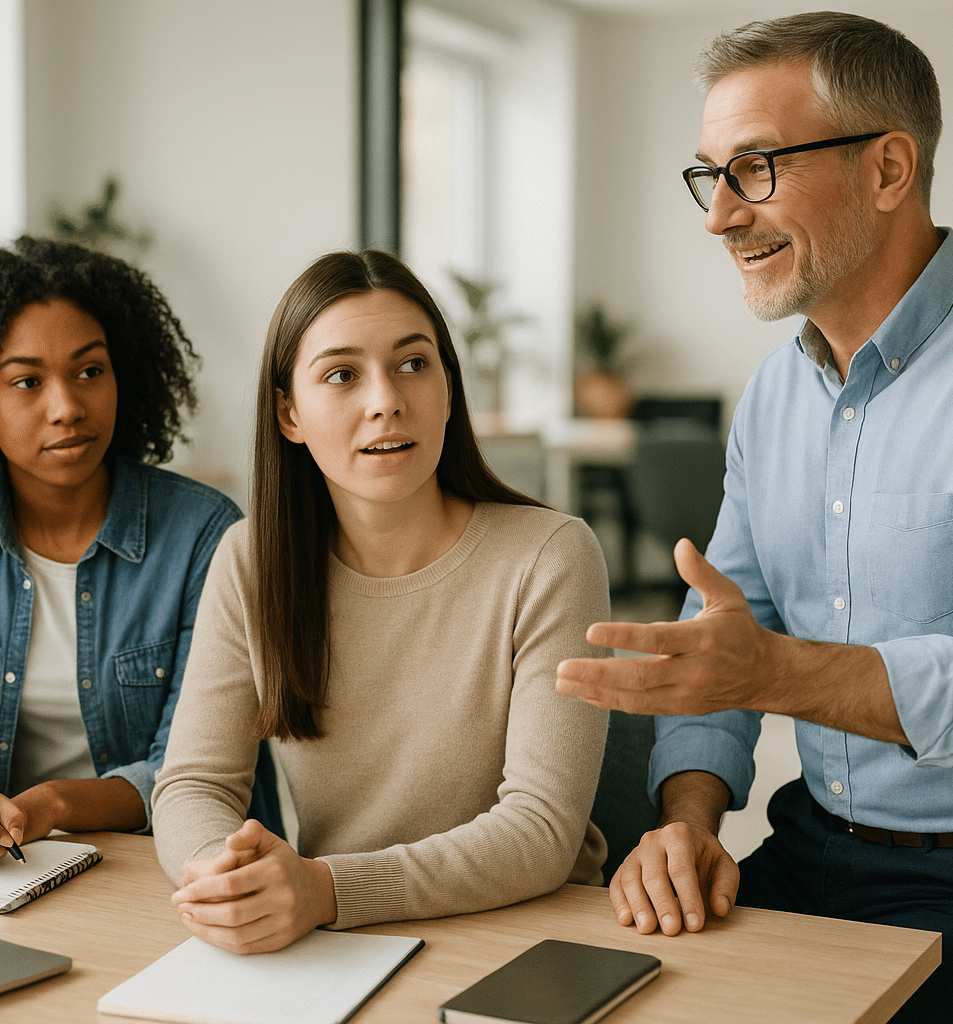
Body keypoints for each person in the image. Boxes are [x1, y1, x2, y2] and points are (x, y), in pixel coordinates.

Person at [554, 13, 953, 1023]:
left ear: (890, 167)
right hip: (815, 851)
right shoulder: (773, 397)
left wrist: (776, 671)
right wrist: (687, 823)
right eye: (708, 175)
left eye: (755, 169)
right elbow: (718, 639)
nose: (719, 216)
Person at [152, 250, 611, 954]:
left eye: (414, 364)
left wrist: (324, 890)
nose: (386, 399)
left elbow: (540, 831)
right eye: (342, 374)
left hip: (528, 937)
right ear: (290, 414)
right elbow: (192, 784)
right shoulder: (252, 561)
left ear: (449, 390)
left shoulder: (549, 555)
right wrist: (225, 875)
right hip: (340, 943)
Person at [0, 236, 254, 871]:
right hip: (9, 872)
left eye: (90, 371)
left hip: (181, 870)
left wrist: (52, 806)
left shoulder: (207, 535)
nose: (67, 407)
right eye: (27, 381)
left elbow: (188, 771)